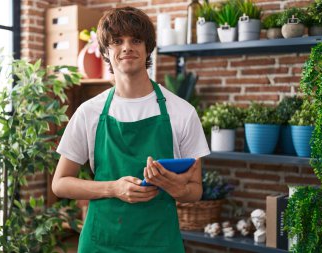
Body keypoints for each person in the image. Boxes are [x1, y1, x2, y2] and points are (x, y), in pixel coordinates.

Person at [52, 6, 210, 253]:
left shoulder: (182, 112)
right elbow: (60, 184)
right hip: (100, 243)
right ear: (106, 50)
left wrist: (176, 188)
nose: (127, 47)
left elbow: (195, 190)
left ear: (148, 48)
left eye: (136, 40)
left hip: (159, 243)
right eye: (117, 41)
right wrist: (113, 188)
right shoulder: (89, 112)